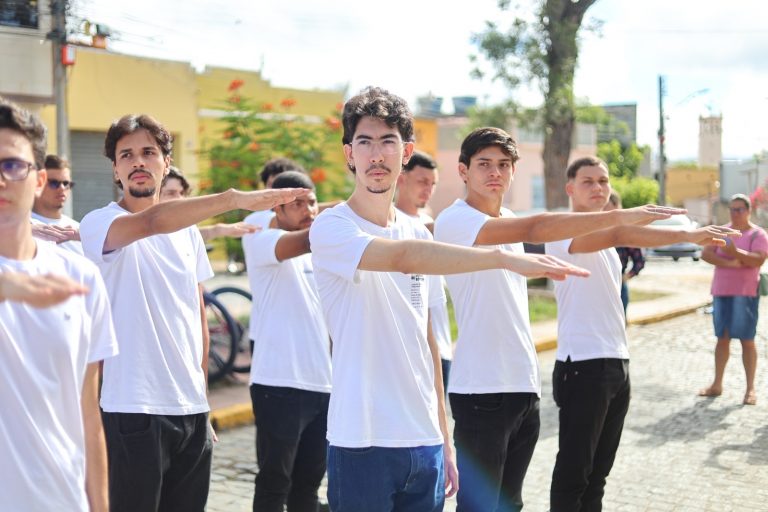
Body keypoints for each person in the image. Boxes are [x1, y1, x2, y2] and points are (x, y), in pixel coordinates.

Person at [308, 86, 591, 512]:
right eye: (364, 142)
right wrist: (502, 258)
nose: (376, 155)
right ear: (349, 154)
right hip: (361, 440)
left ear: (406, 152)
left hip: (424, 442)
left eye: (388, 142)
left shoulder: (418, 232)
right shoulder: (332, 227)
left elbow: (429, 343)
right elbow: (401, 258)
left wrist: (444, 438)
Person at [434, 127, 685, 512]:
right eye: (484, 164)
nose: (495, 172)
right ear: (463, 171)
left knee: (511, 503)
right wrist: (621, 215)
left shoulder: (509, 217)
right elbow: (537, 227)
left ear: (513, 170)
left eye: (503, 164)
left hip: (523, 384)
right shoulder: (456, 220)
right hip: (481, 389)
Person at [78, 113, 308, 512]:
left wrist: (201, 399)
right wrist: (233, 199)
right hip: (133, 408)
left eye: (149, 152)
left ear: (166, 162)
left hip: (191, 410)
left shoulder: (187, 234)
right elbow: (152, 222)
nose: (138, 162)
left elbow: (197, 317)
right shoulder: (100, 223)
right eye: (126, 155)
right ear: (115, 169)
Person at [544, 156, 738, 512]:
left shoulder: (605, 242)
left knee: (598, 476)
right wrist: (686, 234)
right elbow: (620, 232)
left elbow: (618, 235)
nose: (598, 187)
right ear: (570, 188)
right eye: (588, 181)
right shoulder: (562, 230)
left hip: (616, 363)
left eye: (603, 181)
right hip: (583, 366)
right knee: (574, 474)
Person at [0, 97, 118, 511]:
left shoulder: (81, 278)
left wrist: (99, 505)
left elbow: (88, 414)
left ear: (37, 179)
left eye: (11, 165)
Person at [242, 171, 331, 512]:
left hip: (322, 384)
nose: (309, 210)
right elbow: (307, 239)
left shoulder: (319, 254)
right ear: (276, 209)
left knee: (308, 486)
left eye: (312, 202)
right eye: (297, 204)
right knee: (274, 484)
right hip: (278, 384)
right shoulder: (262, 241)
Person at [699, 193, 768, 405]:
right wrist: (730, 262)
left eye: (739, 209)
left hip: (745, 293)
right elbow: (706, 254)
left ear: (749, 211)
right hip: (721, 291)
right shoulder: (722, 231)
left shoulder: (758, 234)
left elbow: (758, 259)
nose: (735, 213)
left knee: (747, 339)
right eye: (732, 209)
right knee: (722, 338)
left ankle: (750, 389)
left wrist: (734, 251)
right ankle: (717, 384)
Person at [394, 150, 453, 391]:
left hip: (441, 346)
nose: (428, 189)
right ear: (401, 179)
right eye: (422, 181)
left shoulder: (429, 222)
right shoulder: (391, 226)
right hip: (408, 350)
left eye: (433, 183)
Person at [160, 166, 258, 240]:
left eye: (182, 193)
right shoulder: (151, 229)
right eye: (171, 193)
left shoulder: (185, 226)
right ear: (155, 194)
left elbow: (190, 237)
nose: (180, 198)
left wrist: (220, 230)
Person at [31, 154, 84, 254]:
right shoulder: (20, 227)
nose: (62, 188)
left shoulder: (78, 229)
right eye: (53, 183)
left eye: (66, 183)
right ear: (38, 184)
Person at [604, 191, 645, 316]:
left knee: (619, 322)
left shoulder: (625, 231)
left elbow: (639, 261)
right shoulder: (595, 229)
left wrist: (626, 277)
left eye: (605, 204)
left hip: (618, 285)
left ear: (616, 205)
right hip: (597, 285)